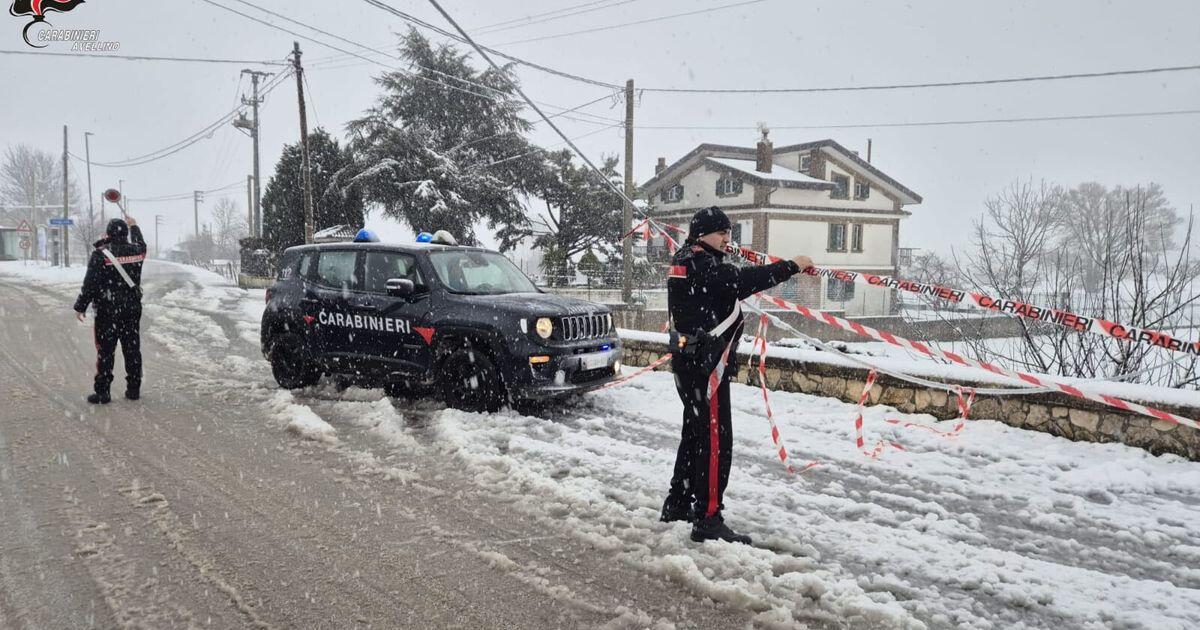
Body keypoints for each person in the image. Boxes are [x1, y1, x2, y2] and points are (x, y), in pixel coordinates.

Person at [661, 206, 812, 544]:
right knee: (715, 443)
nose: (727, 238)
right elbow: (741, 282)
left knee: (695, 435)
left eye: (729, 232)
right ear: (702, 234)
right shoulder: (701, 263)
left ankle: (679, 503)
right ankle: (709, 518)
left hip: (690, 365)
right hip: (706, 368)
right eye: (721, 232)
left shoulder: (685, 258)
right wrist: (792, 266)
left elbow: (727, 282)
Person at [73, 216, 147, 404]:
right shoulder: (137, 251)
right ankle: (133, 389)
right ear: (125, 233)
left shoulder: (101, 255)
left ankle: (103, 392)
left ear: (108, 233)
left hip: (107, 310)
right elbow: (141, 243)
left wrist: (81, 306)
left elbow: (90, 283)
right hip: (131, 308)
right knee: (132, 349)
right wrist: (134, 226)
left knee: (105, 351)